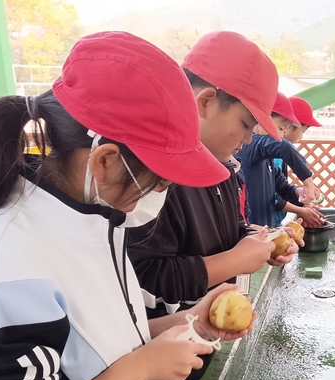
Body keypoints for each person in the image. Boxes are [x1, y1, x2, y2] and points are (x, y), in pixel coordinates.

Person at [0, 32, 252, 380]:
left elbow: (90, 340)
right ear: (106, 160)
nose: (160, 192)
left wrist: (188, 323)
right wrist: (141, 368)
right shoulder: (2, 268)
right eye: (158, 179)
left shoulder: (93, 218)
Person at [127, 32, 299, 322]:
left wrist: (260, 241)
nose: (248, 139)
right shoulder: (151, 176)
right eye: (246, 124)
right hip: (168, 337)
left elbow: (232, 230)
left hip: (212, 325)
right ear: (206, 101)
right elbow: (141, 279)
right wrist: (234, 261)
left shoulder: (225, 167)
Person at [235, 93, 323, 227]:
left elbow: (283, 187)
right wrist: (308, 181)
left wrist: (299, 191)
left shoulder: (266, 158)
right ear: (261, 120)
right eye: (281, 128)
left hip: (266, 230)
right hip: (252, 231)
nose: (281, 135)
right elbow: (284, 146)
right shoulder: (251, 145)